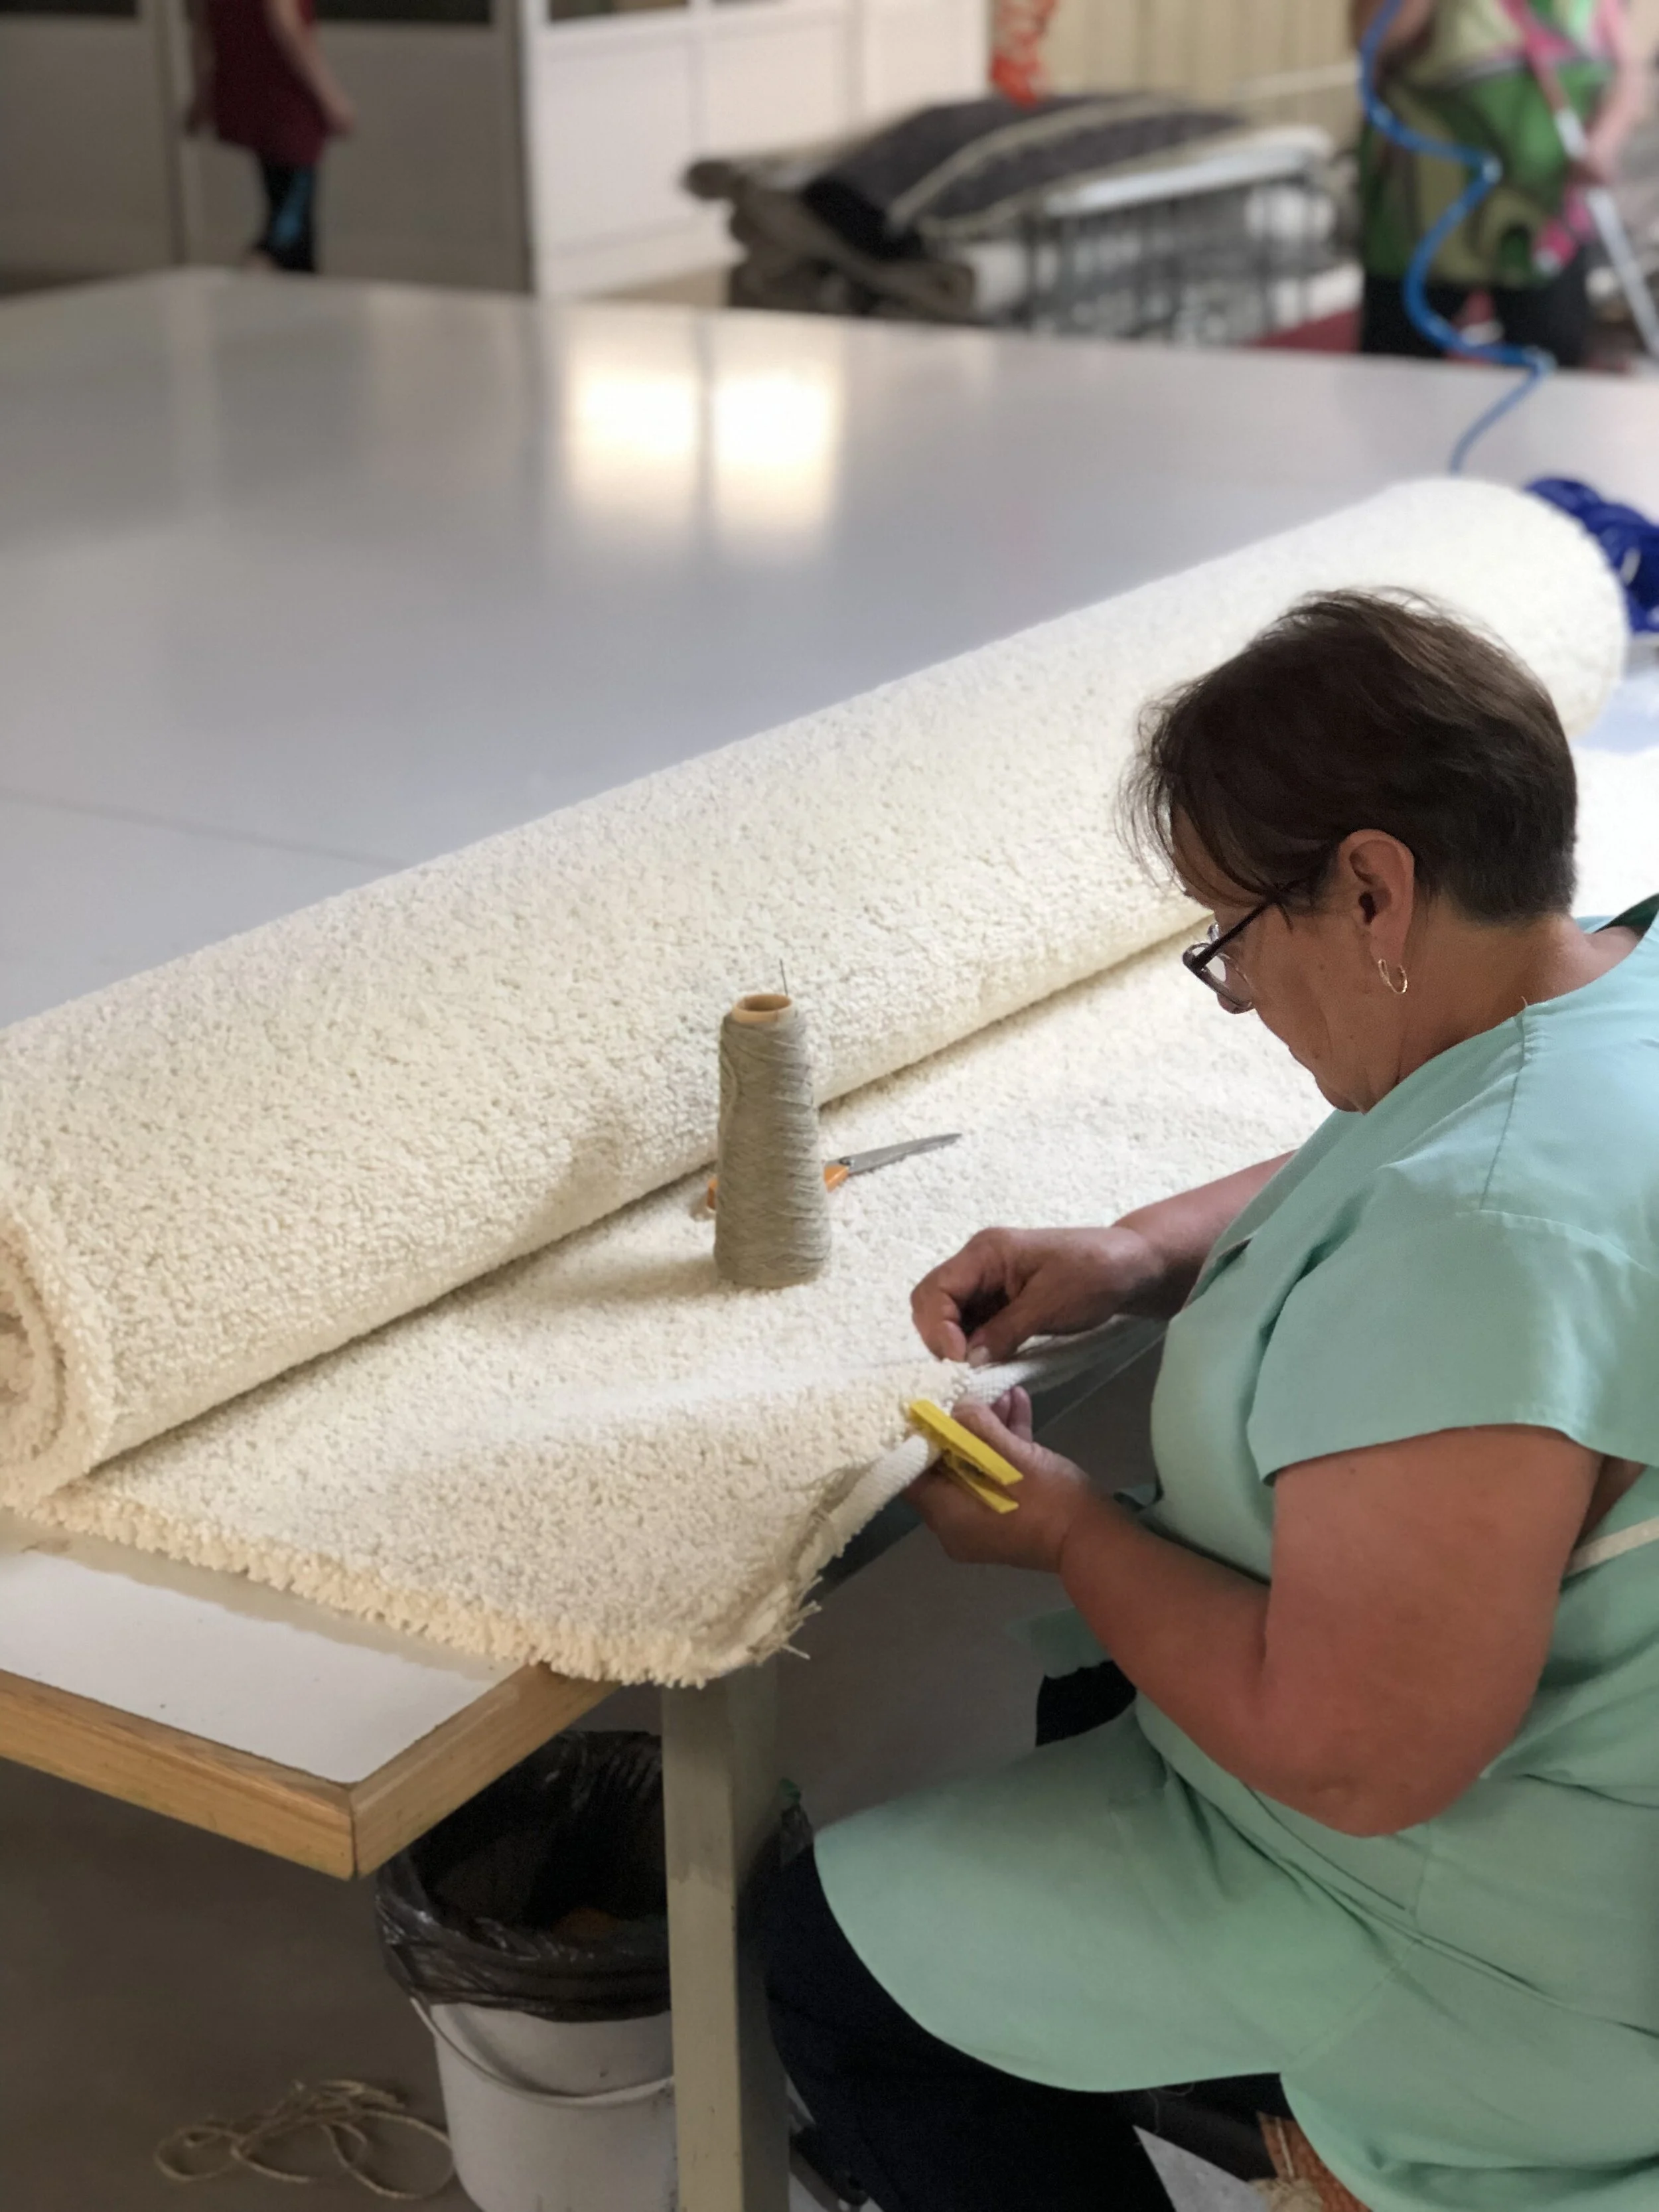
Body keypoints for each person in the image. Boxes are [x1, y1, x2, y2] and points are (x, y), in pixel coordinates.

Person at [766, 591, 1659, 2212]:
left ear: (1373, 888)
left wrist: (1069, 1533)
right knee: (1089, 1717)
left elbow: (1353, 1761)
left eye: (1233, 937)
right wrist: (1140, 1253)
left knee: (830, 1960)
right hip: (1597, 1812)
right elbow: (1429, 1116)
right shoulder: (1609, 988)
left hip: (1518, 1956)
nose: (1238, 992)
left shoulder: (1483, 1239)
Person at [1352, 0, 1650, 364]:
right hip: (1425, 214)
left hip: (1546, 217)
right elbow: (1370, 37)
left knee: (1551, 366)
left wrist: (1605, 141)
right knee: (1398, 369)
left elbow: (1628, 72)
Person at [186, 0, 355, 275]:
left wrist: (202, 98)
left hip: (251, 100)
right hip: (288, 105)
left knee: (284, 203)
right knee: (291, 219)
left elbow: (201, 33)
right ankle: (257, 268)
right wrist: (331, 97)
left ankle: (294, 293)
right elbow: (287, 27)